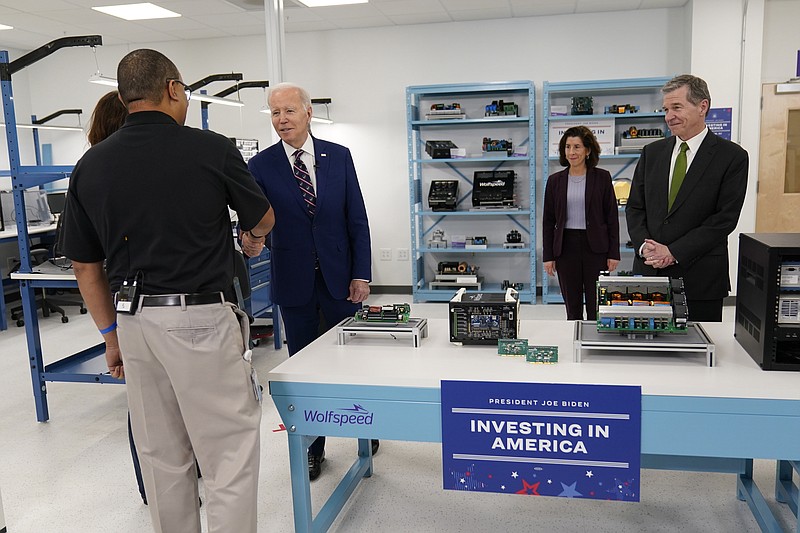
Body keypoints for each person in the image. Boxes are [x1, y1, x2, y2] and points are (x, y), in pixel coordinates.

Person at [62, 49, 274, 533]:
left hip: (134, 322)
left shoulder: (90, 165)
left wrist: (111, 336)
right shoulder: (210, 148)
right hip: (200, 317)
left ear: (122, 97)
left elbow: (84, 264)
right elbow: (262, 217)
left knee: (162, 456)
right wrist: (253, 237)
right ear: (174, 89)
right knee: (228, 453)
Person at [243, 82, 374, 481]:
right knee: (302, 370)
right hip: (294, 281)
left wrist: (361, 273)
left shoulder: (339, 157)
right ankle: (313, 447)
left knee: (351, 362)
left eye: (289, 111)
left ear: (308, 112)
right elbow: (253, 222)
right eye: (274, 113)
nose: (281, 119)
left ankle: (364, 434)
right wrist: (248, 241)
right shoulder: (261, 166)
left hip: (341, 280)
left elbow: (357, 219)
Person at [626, 74, 748, 322]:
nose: (669, 116)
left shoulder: (732, 157)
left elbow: (724, 219)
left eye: (677, 107)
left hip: (700, 279)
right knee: (645, 353)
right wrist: (644, 247)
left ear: (702, 106)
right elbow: (635, 208)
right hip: (649, 275)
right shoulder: (652, 153)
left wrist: (673, 251)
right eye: (666, 109)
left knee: (698, 353)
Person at [542, 125, 620, 320]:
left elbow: (611, 218)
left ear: (588, 150)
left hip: (596, 247)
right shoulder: (554, 181)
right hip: (566, 248)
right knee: (572, 304)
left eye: (577, 147)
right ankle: (575, 342)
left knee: (596, 304)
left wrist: (613, 253)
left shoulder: (602, 177)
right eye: (567, 147)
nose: (571, 152)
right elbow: (548, 221)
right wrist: (548, 256)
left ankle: (595, 344)